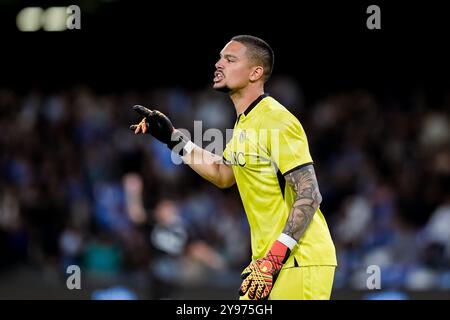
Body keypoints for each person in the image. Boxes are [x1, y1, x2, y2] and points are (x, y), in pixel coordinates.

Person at [130, 35, 337, 300]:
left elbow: (309, 194)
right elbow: (223, 174)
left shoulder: (276, 119)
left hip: (298, 260)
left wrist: (274, 258)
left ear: (255, 72)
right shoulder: (244, 123)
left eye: (230, 59)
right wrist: (174, 140)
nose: (218, 64)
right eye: (219, 58)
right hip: (265, 264)